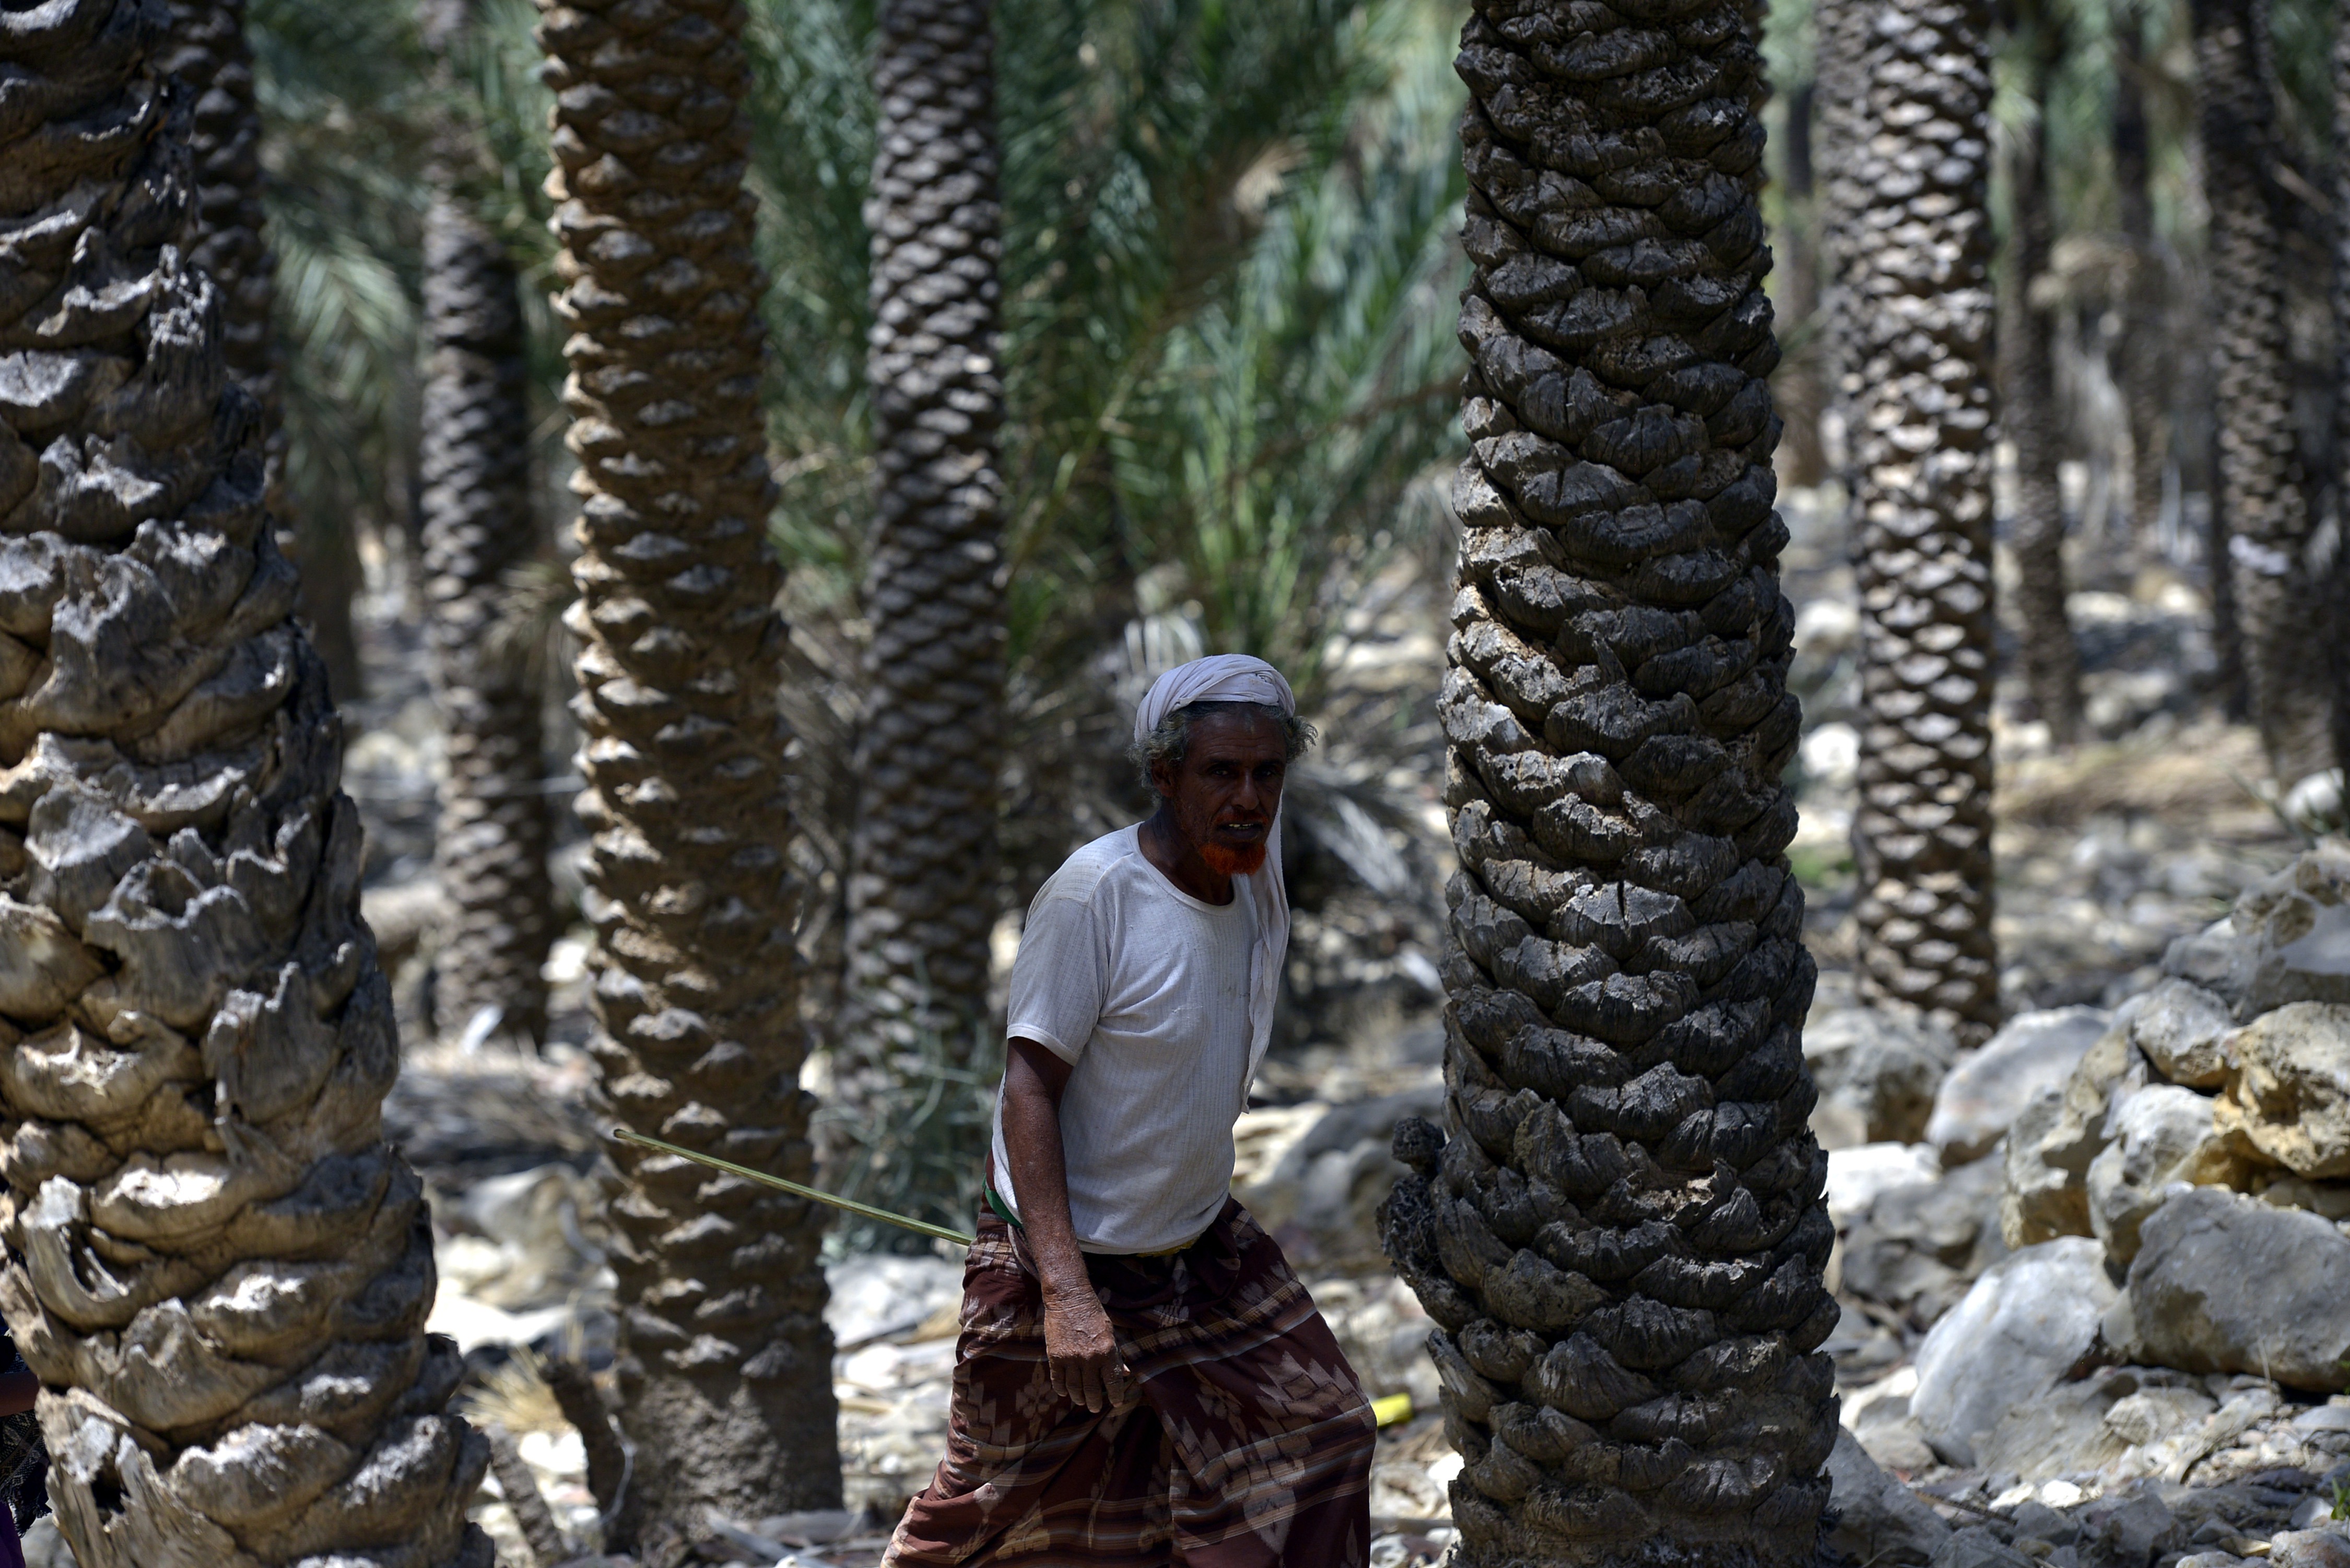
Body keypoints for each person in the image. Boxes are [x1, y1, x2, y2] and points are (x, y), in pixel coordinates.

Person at [883, 655, 1378, 1567]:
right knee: (995, 1517)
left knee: (1329, 1435)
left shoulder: (1251, 879)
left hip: (1197, 1251)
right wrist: (1067, 1295)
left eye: (1267, 773)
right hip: (1059, 1260)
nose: (1248, 796)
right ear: (1162, 775)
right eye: (1219, 773)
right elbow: (1029, 1086)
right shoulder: (1095, 895)